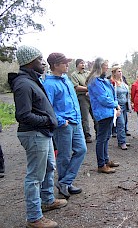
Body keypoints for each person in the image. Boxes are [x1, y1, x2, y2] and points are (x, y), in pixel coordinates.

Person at [8, 45, 67, 228]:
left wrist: (48, 121)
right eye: (39, 58)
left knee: (49, 166)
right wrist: (48, 120)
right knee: (34, 176)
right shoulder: (23, 84)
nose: (43, 62)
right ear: (30, 61)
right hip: (34, 134)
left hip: (43, 133)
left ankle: (48, 200)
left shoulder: (33, 80)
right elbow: (23, 115)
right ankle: (34, 218)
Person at [43, 53, 87, 199]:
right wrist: (61, 121)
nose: (67, 64)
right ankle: (65, 184)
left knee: (81, 150)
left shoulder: (66, 79)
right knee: (64, 155)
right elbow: (47, 107)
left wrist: (78, 118)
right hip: (64, 125)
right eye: (64, 63)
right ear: (55, 65)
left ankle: (65, 182)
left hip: (76, 121)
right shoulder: (49, 84)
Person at [87, 58, 120, 174]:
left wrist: (115, 105)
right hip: (103, 113)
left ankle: (106, 160)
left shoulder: (103, 81)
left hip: (109, 112)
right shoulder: (95, 81)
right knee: (102, 138)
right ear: (100, 66)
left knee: (106, 137)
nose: (107, 67)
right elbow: (103, 99)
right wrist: (116, 105)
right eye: (105, 65)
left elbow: (111, 94)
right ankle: (101, 164)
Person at [70, 59, 98, 143]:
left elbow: (94, 82)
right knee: (85, 117)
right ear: (77, 65)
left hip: (91, 96)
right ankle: (87, 135)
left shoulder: (88, 73)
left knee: (96, 115)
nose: (83, 64)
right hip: (82, 97)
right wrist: (88, 89)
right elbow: (76, 86)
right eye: (81, 63)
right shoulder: (74, 75)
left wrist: (91, 90)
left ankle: (99, 133)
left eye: (84, 63)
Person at [110, 65, 131, 150]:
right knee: (121, 124)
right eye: (118, 71)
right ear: (114, 73)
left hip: (125, 105)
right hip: (118, 106)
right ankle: (122, 142)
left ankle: (122, 140)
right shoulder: (112, 83)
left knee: (124, 123)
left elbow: (127, 95)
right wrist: (116, 106)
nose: (120, 73)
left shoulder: (123, 83)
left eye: (121, 71)